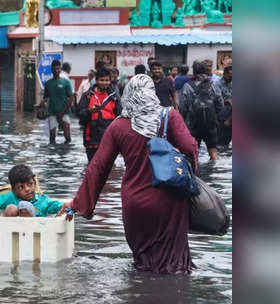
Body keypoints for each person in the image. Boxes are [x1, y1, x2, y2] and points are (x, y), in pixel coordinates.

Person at [59, 74, 198, 274]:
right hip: (169, 201)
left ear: (128, 95)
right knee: (174, 266)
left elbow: (98, 167)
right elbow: (190, 147)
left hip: (135, 204)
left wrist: (78, 204)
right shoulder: (170, 116)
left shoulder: (118, 125)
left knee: (143, 264)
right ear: (152, 93)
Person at [0, 165, 67, 217]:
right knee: (12, 209)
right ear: (14, 190)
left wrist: (66, 206)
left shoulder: (42, 200)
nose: (27, 189)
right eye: (21, 187)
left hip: (35, 237)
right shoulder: (9, 197)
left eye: (30, 184)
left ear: (35, 183)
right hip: (10, 236)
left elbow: (55, 205)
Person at [179, 61, 224, 160]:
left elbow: (182, 107)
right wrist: (216, 118)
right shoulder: (213, 85)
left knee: (194, 151)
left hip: (193, 124)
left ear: (194, 71)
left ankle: (195, 172)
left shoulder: (187, 86)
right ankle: (214, 170)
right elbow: (220, 105)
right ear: (206, 71)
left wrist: (184, 122)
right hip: (210, 123)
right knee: (213, 150)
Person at [77, 68, 122, 161]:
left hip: (110, 140)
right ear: (96, 80)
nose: (104, 83)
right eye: (102, 80)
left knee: (107, 169)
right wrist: (90, 111)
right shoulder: (87, 96)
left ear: (110, 81)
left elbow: (119, 118)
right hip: (91, 140)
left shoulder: (114, 97)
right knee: (93, 168)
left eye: (107, 80)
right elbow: (79, 115)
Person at [41, 60, 73, 144]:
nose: (56, 71)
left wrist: (62, 112)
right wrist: (42, 105)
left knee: (67, 137)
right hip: (52, 112)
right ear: (51, 70)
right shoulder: (48, 83)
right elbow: (46, 97)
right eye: (54, 69)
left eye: (58, 69)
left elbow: (71, 98)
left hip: (65, 112)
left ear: (60, 69)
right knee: (52, 138)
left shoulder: (66, 82)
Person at [215, 65, 232, 146]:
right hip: (221, 116)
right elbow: (217, 100)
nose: (231, 78)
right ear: (224, 74)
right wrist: (226, 101)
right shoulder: (217, 84)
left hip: (231, 116)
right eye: (230, 76)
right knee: (219, 141)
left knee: (228, 140)